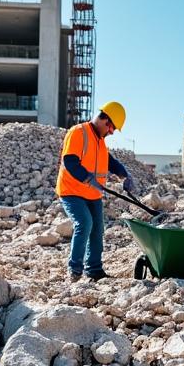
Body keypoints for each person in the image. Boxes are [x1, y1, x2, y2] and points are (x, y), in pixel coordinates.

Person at [55, 101, 138, 281]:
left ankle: (94, 269)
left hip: (92, 194)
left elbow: (109, 161)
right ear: (104, 119)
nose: (112, 132)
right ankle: (75, 269)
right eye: (112, 127)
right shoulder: (78, 132)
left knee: (98, 229)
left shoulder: (100, 140)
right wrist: (86, 178)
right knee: (84, 223)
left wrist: (125, 175)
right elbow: (69, 161)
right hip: (72, 191)